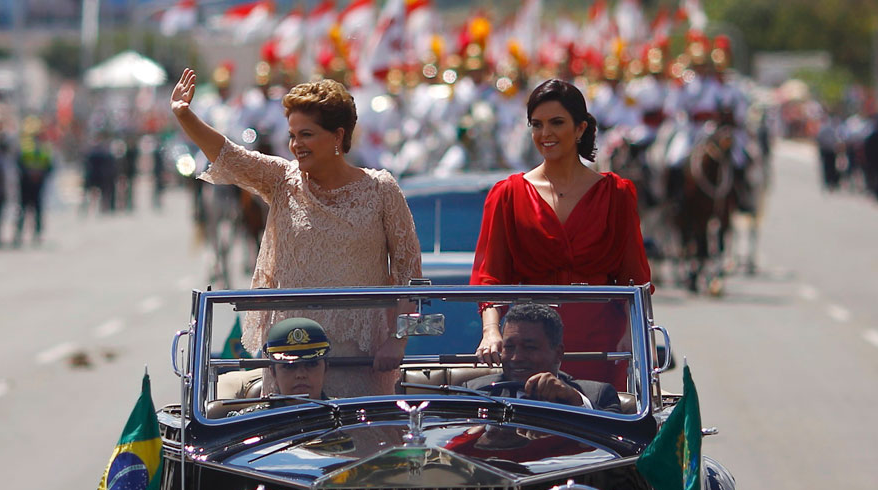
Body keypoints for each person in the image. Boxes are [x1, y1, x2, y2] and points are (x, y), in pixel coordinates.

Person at [170, 68, 422, 397]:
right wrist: (185, 116)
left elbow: (409, 274)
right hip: (290, 357)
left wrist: (397, 341)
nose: (295, 145)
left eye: (306, 134)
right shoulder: (281, 180)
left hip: (359, 361)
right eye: (292, 135)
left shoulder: (381, 190)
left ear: (337, 136)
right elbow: (229, 155)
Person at [471, 78, 651, 386]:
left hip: (601, 344)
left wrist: (633, 337)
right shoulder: (507, 194)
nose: (545, 134)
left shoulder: (617, 193)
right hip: (531, 343)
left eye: (557, 123)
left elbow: (634, 277)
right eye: (537, 124)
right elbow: (490, 275)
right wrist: (491, 330)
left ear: (580, 128)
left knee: (598, 426)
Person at [465, 304, 620, 411]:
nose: (516, 358)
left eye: (530, 347)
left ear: (558, 353)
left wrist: (575, 401)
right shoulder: (474, 393)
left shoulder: (598, 395)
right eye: (509, 347)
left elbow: (617, 442)